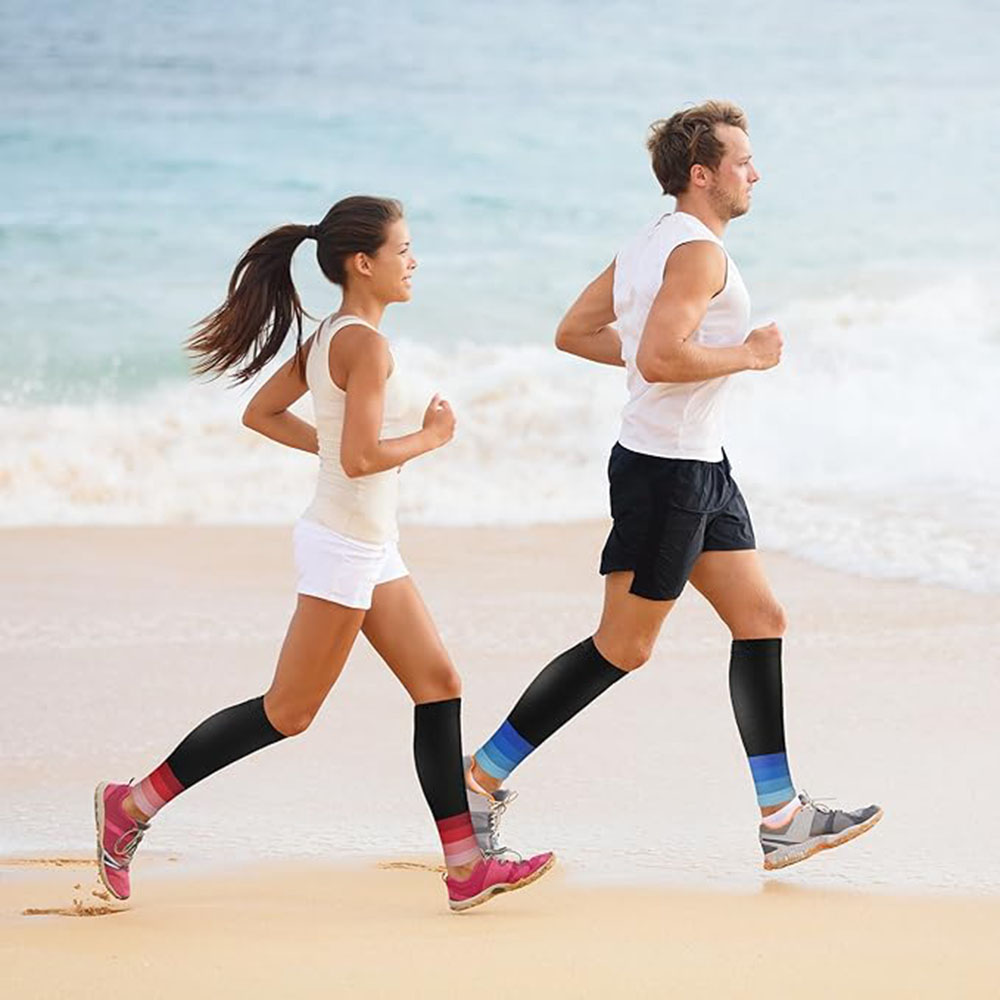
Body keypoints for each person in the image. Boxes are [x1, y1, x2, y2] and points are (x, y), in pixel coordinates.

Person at [94, 195, 554, 912]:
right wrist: (428, 440)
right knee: (288, 712)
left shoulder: (335, 335)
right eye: (403, 250)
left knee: (438, 683)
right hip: (345, 544)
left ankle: (466, 866)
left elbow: (267, 415)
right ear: (362, 263)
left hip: (367, 542)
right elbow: (363, 454)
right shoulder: (363, 344)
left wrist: (340, 457)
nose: (413, 262)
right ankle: (132, 805)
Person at [465, 102, 883, 871]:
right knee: (622, 647)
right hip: (668, 472)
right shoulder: (697, 254)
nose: (755, 173)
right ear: (702, 174)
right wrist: (748, 355)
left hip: (698, 464)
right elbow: (659, 358)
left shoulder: (649, 242)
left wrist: (669, 358)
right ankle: (479, 781)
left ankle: (782, 816)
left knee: (760, 617)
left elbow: (577, 332)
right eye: (742, 161)